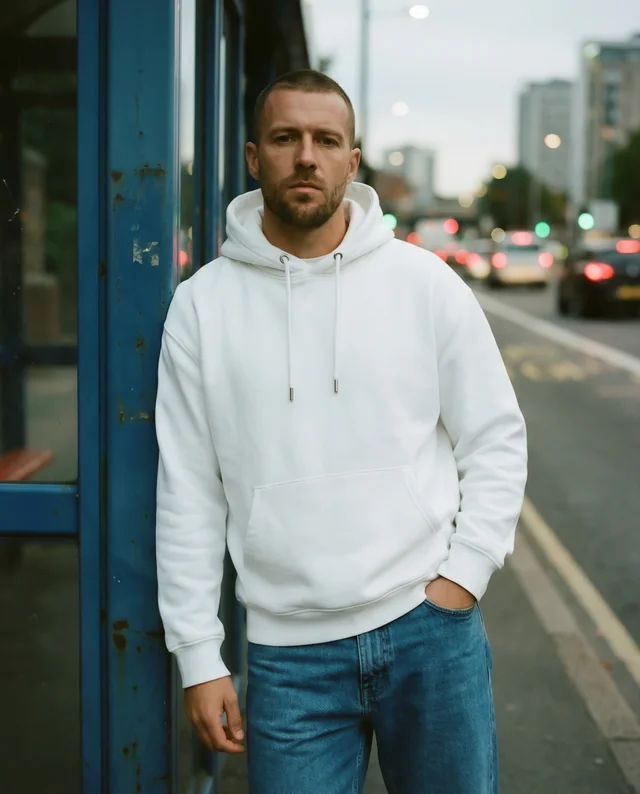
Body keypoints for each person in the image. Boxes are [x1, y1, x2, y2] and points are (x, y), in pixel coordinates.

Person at [155, 69, 527, 794]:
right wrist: (199, 655)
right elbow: (189, 493)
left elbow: (496, 437)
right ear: (254, 155)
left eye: (327, 140)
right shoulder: (202, 308)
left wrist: (466, 573)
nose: (307, 157)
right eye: (286, 137)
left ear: (352, 163)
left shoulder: (424, 284)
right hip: (291, 659)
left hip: (431, 632)